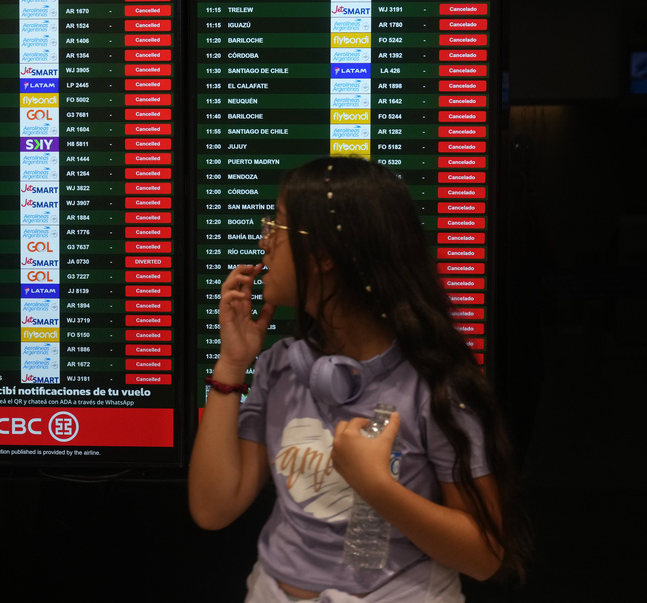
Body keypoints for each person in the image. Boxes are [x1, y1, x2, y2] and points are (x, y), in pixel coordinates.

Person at [188, 157, 528, 602]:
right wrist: (231, 366)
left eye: (279, 227)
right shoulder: (282, 366)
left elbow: (484, 557)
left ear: (325, 255)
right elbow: (213, 508)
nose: (264, 240)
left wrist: (376, 486)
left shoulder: (435, 383)